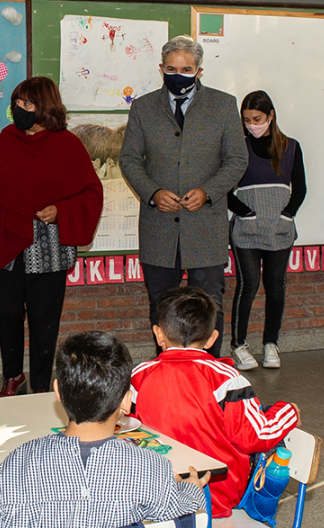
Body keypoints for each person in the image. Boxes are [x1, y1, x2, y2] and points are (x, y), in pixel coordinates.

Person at [0, 331, 209, 528]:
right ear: (127, 402)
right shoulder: (151, 469)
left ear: (57, 391)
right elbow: (183, 524)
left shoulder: (18, 463)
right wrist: (192, 489)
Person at [0, 76, 103, 397]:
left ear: (45, 108)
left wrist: (60, 210)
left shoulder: (67, 146)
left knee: (45, 322)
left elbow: (90, 193)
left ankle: (42, 384)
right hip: (3, 246)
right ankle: (13, 377)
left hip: (49, 251)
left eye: (27, 104)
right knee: (7, 314)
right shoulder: (5, 140)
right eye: (16, 104)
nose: (20, 110)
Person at [120, 35, 248, 359]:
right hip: (158, 228)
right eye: (172, 68)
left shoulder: (223, 105)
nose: (179, 74)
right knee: (161, 305)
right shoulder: (143, 107)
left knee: (210, 305)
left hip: (205, 227)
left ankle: (210, 374)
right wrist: (152, 193)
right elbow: (129, 159)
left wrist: (208, 192)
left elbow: (237, 159)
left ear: (199, 70)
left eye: (187, 68)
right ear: (161, 68)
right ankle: (166, 372)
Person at [130, 287, 299, 518]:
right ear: (212, 339)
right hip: (216, 500)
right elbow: (257, 436)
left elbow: (127, 433)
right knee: (272, 434)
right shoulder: (227, 379)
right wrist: (288, 411)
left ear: (158, 334)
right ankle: (260, 504)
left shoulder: (138, 376)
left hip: (153, 500)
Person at [227, 91, 307, 371]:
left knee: (275, 287)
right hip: (246, 231)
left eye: (257, 119)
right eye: (246, 120)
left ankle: (271, 343)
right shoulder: (238, 147)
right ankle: (238, 345)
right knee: (247, 286)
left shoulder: (292, 147)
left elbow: (301, 189)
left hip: (279, 230)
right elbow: (224, 189)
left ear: (271, 116)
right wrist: (246, 212)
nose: (251, 124)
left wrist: (287, 215)